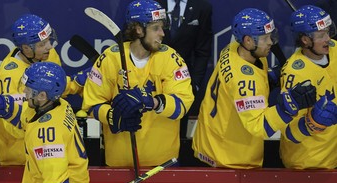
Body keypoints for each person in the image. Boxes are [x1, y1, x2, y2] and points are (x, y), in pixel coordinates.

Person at [191, 8, 319, 169]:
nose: (271, 42)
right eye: (265, 38)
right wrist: (290, 104)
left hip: (210, 140)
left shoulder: (233, 50)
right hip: (229, 158)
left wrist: (270, 78)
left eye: (271, 36)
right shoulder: (244, 80)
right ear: (248, 41)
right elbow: (260, 126)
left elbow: (244, 87)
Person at [82, 0, 194, 167]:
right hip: (119, 163)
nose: (162, 33)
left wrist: (155, 102)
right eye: (155, 28)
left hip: (163, 164)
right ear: (138, 29)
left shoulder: (171, 59)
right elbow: (91, 105)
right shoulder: (109, 59)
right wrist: (113, 117)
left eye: (162, 27)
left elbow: (183, 103)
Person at [0, 14, 90, 166]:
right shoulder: (10, 74)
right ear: (26, 48)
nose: (49, 47)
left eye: (49, 40)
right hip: (16, 157)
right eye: (42, 44)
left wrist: (76, 83)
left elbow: (52, 89)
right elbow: (10, 125)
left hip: (45, 147)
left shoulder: (48, 55)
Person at [279, 5, 337, 169]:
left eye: (327, 31)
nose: (328, 38)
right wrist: (313, 122)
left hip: (332, 155)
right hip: (308, 162)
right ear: (305, 40)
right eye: (321, 35)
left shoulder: (334, 49)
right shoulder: (295, 73)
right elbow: (288, 131)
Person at [158, 0, 213, 138]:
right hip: (152, 80)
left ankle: (176, 158)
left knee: (178, 134)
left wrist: (194, 85)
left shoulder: (202, 7)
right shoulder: (151, 3)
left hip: (182, 84)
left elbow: (203, 51)